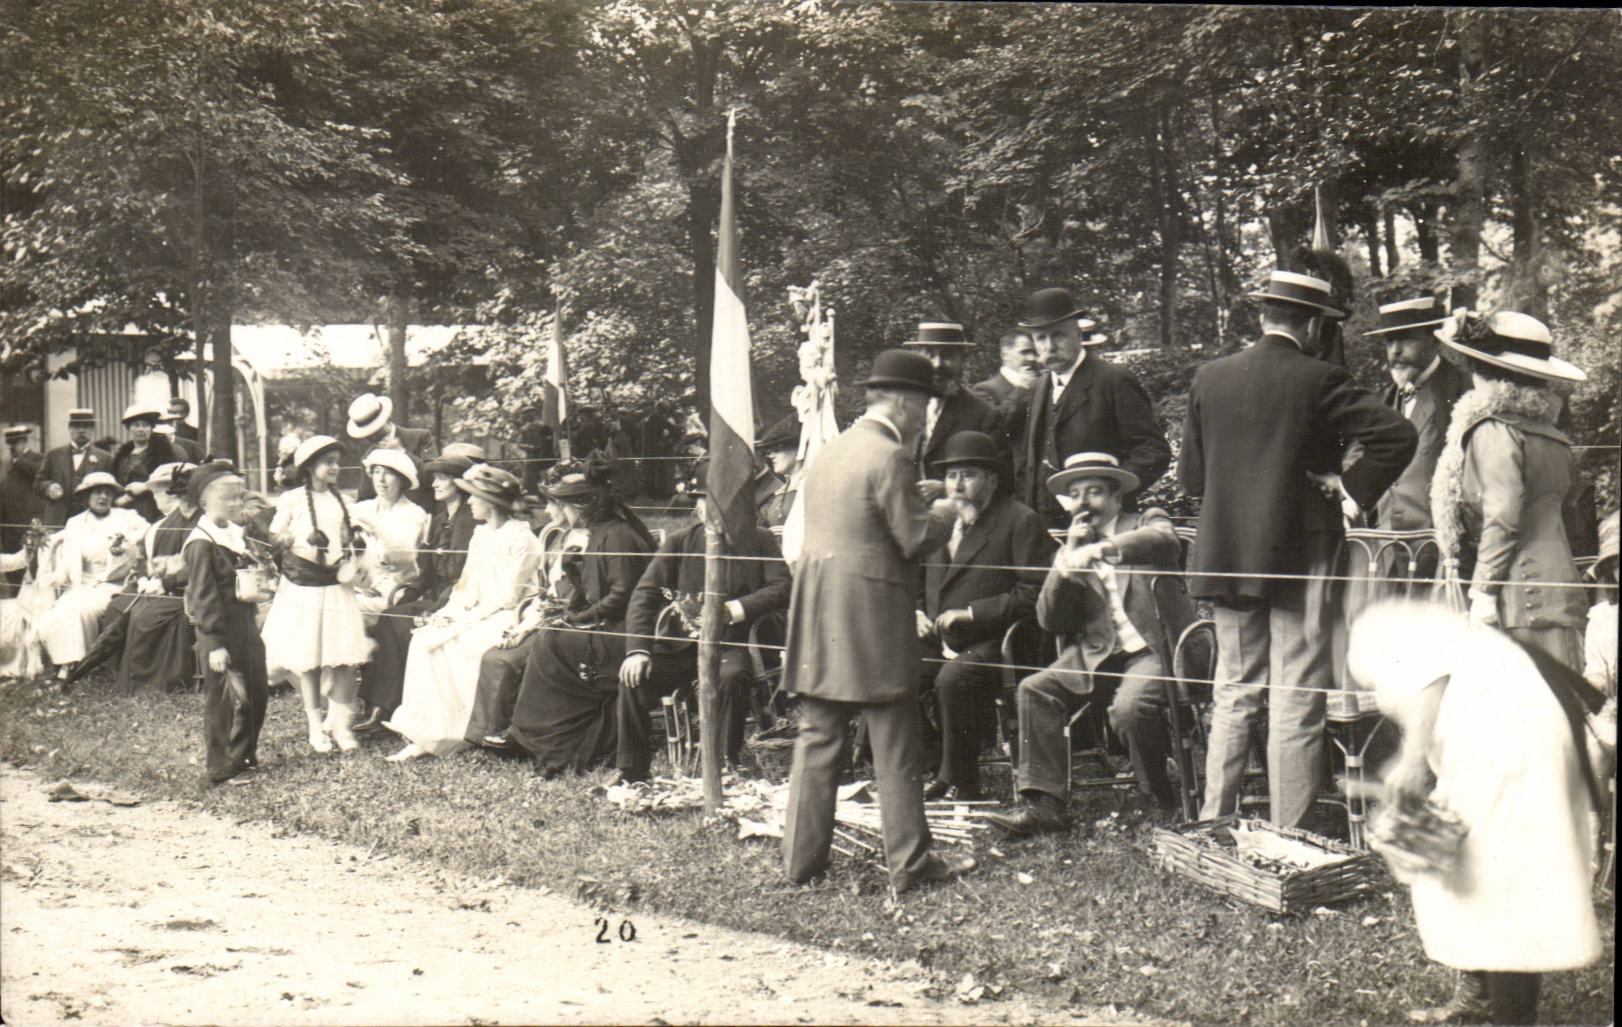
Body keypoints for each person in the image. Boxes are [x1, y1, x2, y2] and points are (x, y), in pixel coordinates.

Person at [1182, 269, 1416, 828]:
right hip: (1299, 563)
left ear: (1264, 315)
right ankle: (1289, 832)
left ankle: (1215, 820)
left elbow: (1193, 479)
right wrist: (1350, 486)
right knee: (1294, 696)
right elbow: (1398, 436)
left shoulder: (1208, 378)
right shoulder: (1321, 379)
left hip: (1226, 557)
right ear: (1312, 324)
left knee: (1234, 691)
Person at [1347, 600, 1602, 1026]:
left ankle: (1511, 1017)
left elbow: (1431, 680)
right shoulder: (1411, 619)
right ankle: (1481, 993)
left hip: (1511, 745)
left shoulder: (1373, 629)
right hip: (1514, 736)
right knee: (1473, 876)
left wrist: (1409, 764)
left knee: (1504, 891)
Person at [781, 349, 975, 893]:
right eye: (925, 407)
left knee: (818, 734)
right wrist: (946, 510)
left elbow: (858, 518)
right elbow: (912, 538)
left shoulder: (833, 451)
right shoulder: (892, 456)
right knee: (895, 739)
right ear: (906, 402)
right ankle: (910, 865)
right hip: (871, 615)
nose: (926, 418)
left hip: (820, 611)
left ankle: (801, 865)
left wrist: (918, 499)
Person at [985, 453, 1195, 835]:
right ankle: (1044, 805)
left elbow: (1165, 540)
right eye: (1075, 494)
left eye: (1095, 492)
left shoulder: (1145, 521)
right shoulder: (1071, 547)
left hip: (1153, 648)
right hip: (1098, 653)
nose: (1084, 503)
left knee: (1129, 710)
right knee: (1034, 689)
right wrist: (1065, 563)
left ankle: (1159, 794)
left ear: (1116, 498)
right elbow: (1050, 620)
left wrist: (1102, 549)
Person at [1430, 309, 1590, 670]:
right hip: (1557, 591)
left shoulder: (1493, 431)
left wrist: (1484, 591)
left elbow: (1502, 516)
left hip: (1518, 597)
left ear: (1482, 371)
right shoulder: (1553, 437)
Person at [614, 462, 790, 769]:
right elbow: (644, 594)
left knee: (732, 677)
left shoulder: (759, 540)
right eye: (702, 501)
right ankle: (632, 770)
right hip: (682, 648)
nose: (709, 509)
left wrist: (733, 610)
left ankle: (722, 762)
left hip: (733, 644)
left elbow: (782, 586)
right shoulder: (680, 542)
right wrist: (638, 650)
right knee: (634, 678)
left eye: (719, 502)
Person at [499, 456, 657, 778]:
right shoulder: (600, 533)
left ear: (579, 507)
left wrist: (581, 618)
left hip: (629, 635)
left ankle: (542, 740)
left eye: (558, 505)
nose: (553, 513)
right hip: (611, 628)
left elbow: (622, 595)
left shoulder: (618, 536)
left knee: (550, 646)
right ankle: (544, 738)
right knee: (551, 641)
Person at [916, 430, 1051, 801]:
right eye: (950, 475)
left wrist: (972, 614)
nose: (957, 485)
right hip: (939, 639)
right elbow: (913, 577)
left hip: (1001, 641)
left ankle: (964, 783)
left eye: (969, 475)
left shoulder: (1019, 520)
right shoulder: (938, 521)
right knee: (892, 670)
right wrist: (915, 611)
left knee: (953, 679)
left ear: (992, 479)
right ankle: (936, 763)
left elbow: (1034, 592)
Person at [383, 465, 541, 761]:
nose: (468, 502)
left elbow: (507, 596)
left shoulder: (522, 538)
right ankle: (422, 733)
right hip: (475, 611)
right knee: (424, 639)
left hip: (507, 615)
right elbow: (466, 584)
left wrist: (464, 622)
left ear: (491, 503)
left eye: (473, 497)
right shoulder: (481, 534)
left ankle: (458, 735)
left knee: (461, 646)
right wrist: (449, 613)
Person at [354, 442, 484, 731]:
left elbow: (467, 577)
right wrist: (406, 595)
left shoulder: (468, 520)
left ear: (460, 483)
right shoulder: (439, 520)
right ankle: (382, 706)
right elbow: (425, 574)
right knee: (393, 617)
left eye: (442, 479)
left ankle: (384, 707)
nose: (435, 484)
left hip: (459, 601)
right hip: (437, 596)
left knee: (396, 623)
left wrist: (436, 608)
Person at [1014, 287, 1170, 526]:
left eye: (1058, 335)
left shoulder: (1113, 380)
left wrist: (1110, 491)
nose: (1049, 346)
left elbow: (1153, 450)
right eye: (1041, 338)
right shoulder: (1039, 387)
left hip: (1101, 523)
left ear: (1078, 334)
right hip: (1044, 527)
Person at [261, 435, 373, 753]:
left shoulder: (343, 502)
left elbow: (352, 538)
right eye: (328, 462)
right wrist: (290, 541)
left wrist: (355, 556)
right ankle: (315, 727)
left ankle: (338, 725)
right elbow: (275, 535)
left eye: (337, 461)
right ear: (310, 467)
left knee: (342, 659)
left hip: (336, 587)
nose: (335, 467)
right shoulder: (293, 500)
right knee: (308, 660)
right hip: (304, 587)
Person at [465, 466, 581, 746]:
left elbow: (568, 598)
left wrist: (527, 627)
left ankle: (509, 731)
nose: (548, 513)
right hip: (548, 615)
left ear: (571, 507)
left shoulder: (584, 543)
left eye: (553, 505)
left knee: (503, 659)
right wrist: (523, 626)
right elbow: (549, 594)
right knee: (498, 654)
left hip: (573, 624)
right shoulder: (566, 539)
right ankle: (484, 735)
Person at [72, 462, 200, 694]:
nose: (160, 498)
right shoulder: (158, 526)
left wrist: (164, 583)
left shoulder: (195, 523)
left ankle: (147, 677)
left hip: (181, 590)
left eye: (164, 492)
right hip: (156, 584)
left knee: (143, 615)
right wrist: (143, 578)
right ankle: (117, 667)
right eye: (157, 492)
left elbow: (193, 564)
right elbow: (143, 558)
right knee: (117, 606)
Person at [183, 461, 270, 786]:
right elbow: (202, 598)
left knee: (256, 691)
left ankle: (243, 755)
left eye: (239, 498)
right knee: (223, 700)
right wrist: (215, 643)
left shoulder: (235, 535)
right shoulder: (201, 542)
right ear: (205, 502)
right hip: (217, 632)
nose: (236, 505)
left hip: (245, 625)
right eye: (228, 499)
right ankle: (219, 766)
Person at [1364, 297, 1472, 535]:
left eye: (1405, 339)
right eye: (1390, 341)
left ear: (1434, 340)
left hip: (1436, 542)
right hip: (1385, 541)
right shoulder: (1387, 399)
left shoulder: (1463, 391)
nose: (1395, 350)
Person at [35, 472, 149, 680]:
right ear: (86, 497)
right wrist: (53, 578)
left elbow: (148, 530)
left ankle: (78, 664)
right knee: (56, 613)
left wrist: (126, 542)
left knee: (81, 611)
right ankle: (66, 660)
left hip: (113, 584)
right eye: (97, 493)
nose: (103, 497)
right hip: (83, 584)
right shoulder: (75, 523)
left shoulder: (127, 517)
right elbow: (69, 560)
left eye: (107, 493)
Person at [901, 321, 1001, 479]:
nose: (937, 364)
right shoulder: (899, 409)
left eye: (947, 355)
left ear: (962, 361)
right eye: (929, 354)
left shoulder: (984, 415)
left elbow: (1000, 480)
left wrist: (946, 488)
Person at [351, 448, 431, 625]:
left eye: (388, 474)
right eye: (377, 472)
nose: (381, 479)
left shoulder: (413, 514)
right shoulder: (362, 509)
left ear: (401, 480)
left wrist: (376, 527)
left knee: (345, 610)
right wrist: (357, 585)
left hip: (395, 592)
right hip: (360, 589)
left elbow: (403, 555)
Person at [346, 392, 440, 509]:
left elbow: (433, 478)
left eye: (376, 429)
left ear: (387, 419)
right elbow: (365, 497)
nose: (372, 437)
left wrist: (402, 451)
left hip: (425, 515)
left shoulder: (420, 438)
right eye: (367, 434)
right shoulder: (369, 457)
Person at [34, 408, 114, 527]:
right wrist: (48, 488)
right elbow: (37, 483)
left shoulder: (105, 458)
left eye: (86, 427)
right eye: (76, 426)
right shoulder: (53, 455)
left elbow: (112, 488)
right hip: (58, 519)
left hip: (93, 520)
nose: (81, 430)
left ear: (92, 430)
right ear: (69, 429)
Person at [970, 328, 1040, 462]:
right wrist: (1022, 389)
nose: (1032, 358)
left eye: (1035, 353)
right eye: (1025, 352)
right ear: (1004, 354)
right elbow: (996, 434)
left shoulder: (1042, 385)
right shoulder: (984, 390)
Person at [112, 403, 179, 523]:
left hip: (150, 506)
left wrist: (146, 486)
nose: (141, 429)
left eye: (145, 425)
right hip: (123, 507)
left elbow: (169, 478)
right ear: (129, 428)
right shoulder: (123, 454)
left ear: (151, 428)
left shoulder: (162, 453)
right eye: (136, 425)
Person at [1, 425, 45, 584]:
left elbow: (38, 474)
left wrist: (19, 461)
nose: (12, 446)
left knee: (34, 578)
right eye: (9, 442)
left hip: (30, 528)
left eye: (16, 442)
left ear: (25, 441)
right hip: (9, 532)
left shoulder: (38, 459)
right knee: (13, 578)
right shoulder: (6, 464)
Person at [754, 415, 802, 530]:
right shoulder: (782, 492)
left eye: (778, 449)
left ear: (797, 450)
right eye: (770, 451)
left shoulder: (807, 488)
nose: (771, 456)